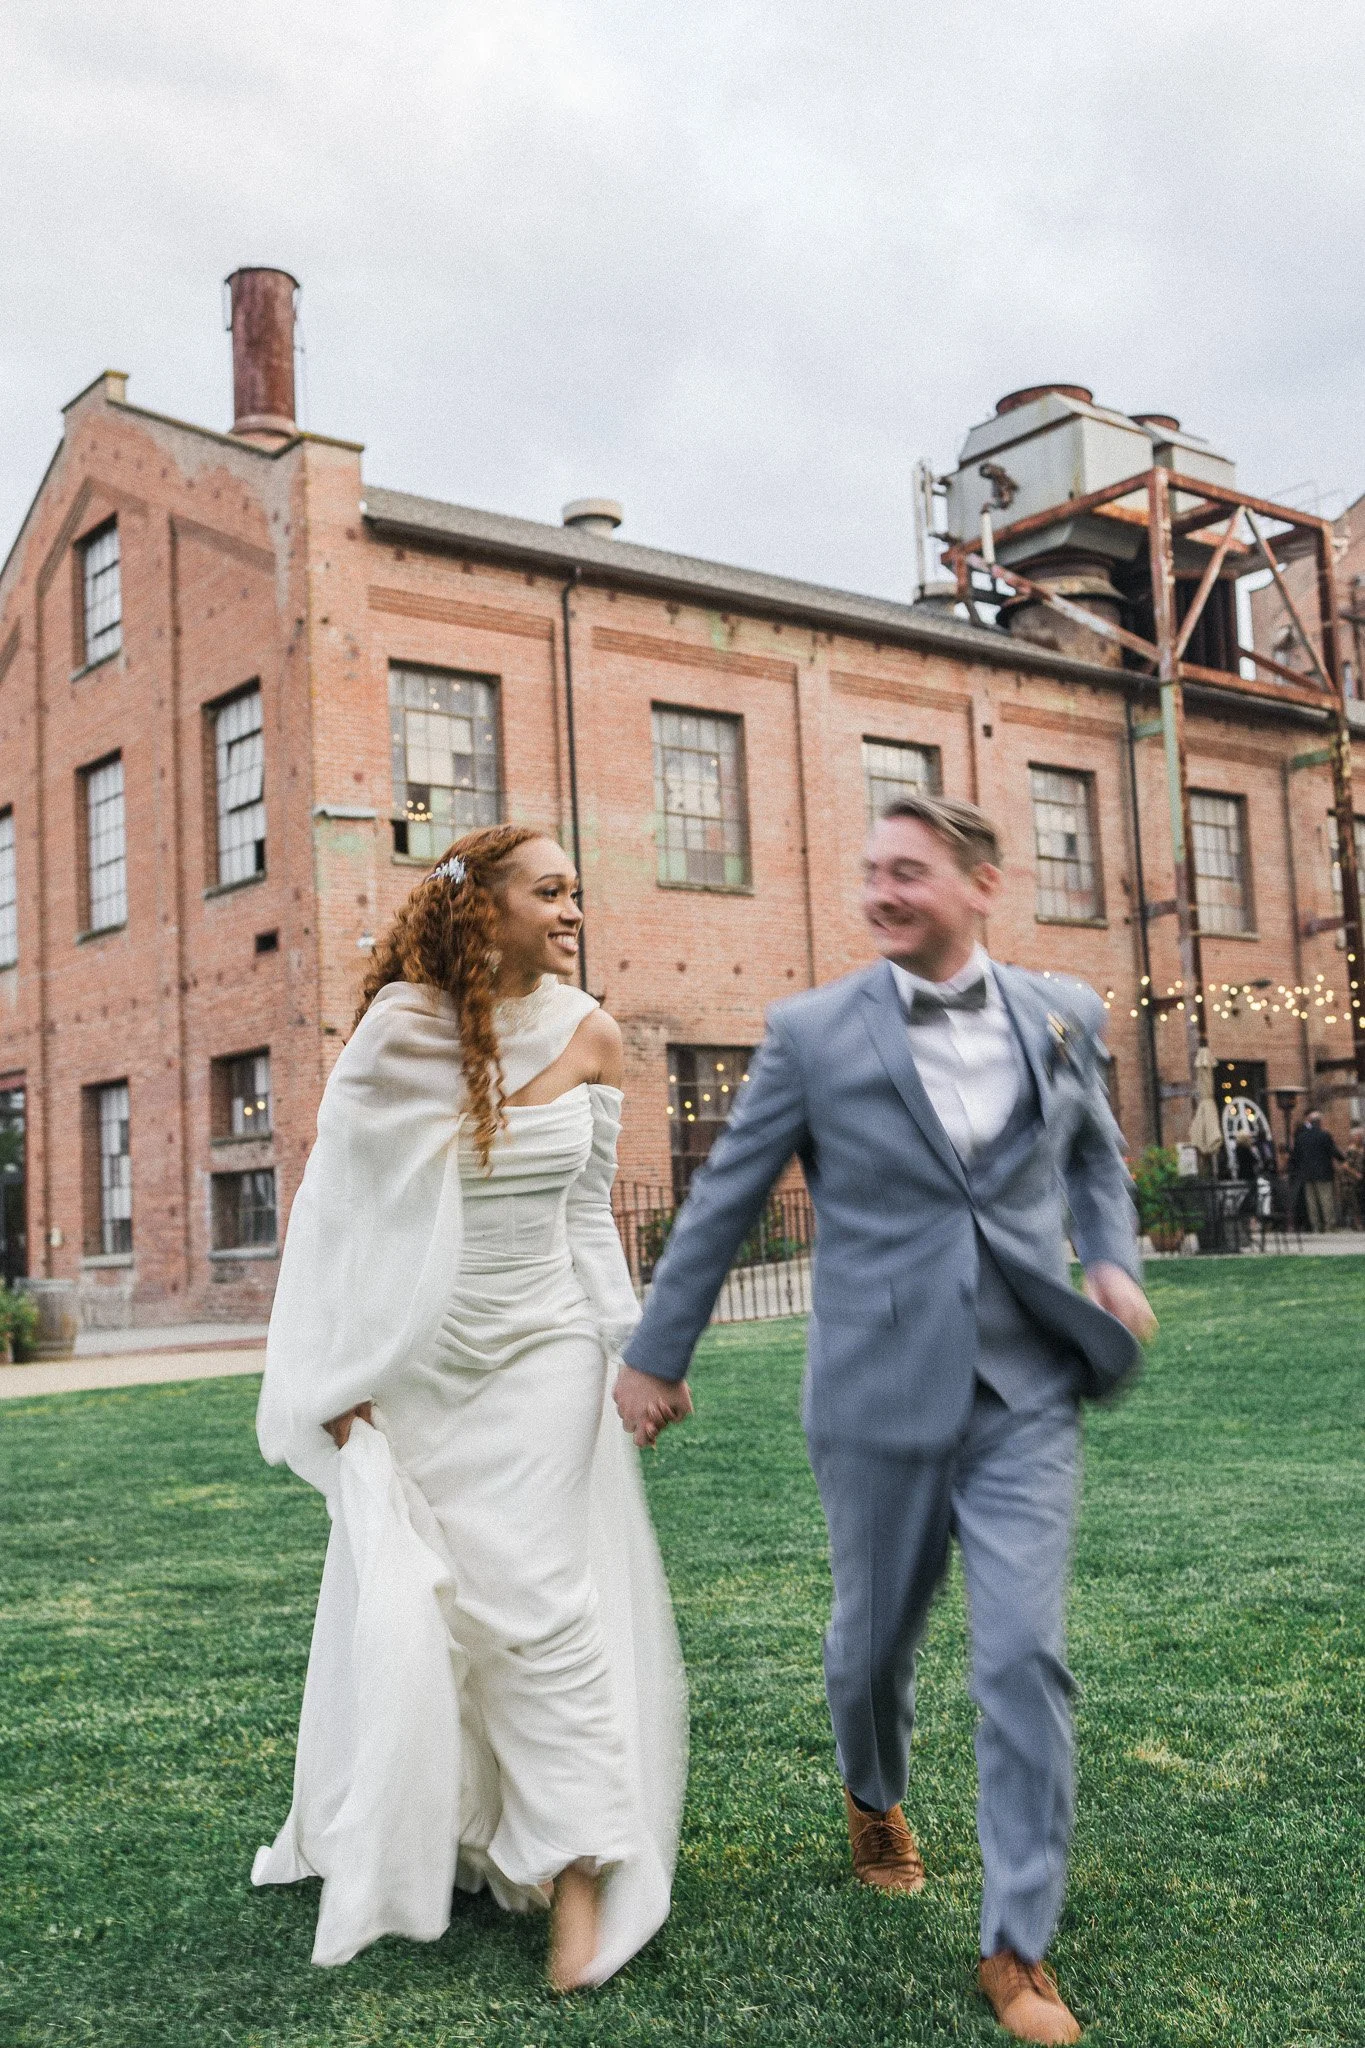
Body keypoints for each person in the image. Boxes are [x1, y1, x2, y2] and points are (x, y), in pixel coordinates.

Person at [613, 795, 1155, 2047]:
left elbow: (1095, 1160)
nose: (880, 891)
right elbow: (722, 1197)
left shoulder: (1064, 1012)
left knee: (1024, 1652)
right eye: (869, 871)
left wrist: (1113, 1260)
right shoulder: (811, 1032)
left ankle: (1018, 1944)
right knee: (872, 1645)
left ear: (981, 884)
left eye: (908, 871)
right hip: (876, 1389)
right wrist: (657, 1353)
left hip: (1029, 1386)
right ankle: (873, 1790)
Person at [252, 825, 686, 1992]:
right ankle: (459, 1826)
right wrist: (334, 1389)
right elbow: (334, 1222)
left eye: (576, 891)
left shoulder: (592, 1028)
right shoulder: (398, 1031)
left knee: (541, 1597)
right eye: (550, 891)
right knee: (439, 1600)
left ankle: (582, 1875)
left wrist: (635, 1348)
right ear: (481, 909)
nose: (573, 909)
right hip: (423, 1358)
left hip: (545, 1348)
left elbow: (590, 1215)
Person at [1289, 1109, 1345, 1233]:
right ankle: (1329, 1225)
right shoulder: (1324, 1135)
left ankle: (1315, 1226)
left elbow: (1295, 1156)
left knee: (1312, 1202)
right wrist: (1343, 1159)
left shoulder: (1301, 1137)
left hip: (1307, 1174)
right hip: (1323, 1173)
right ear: (1319, 1122)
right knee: (1326, 1200)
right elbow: (1333, 1151)